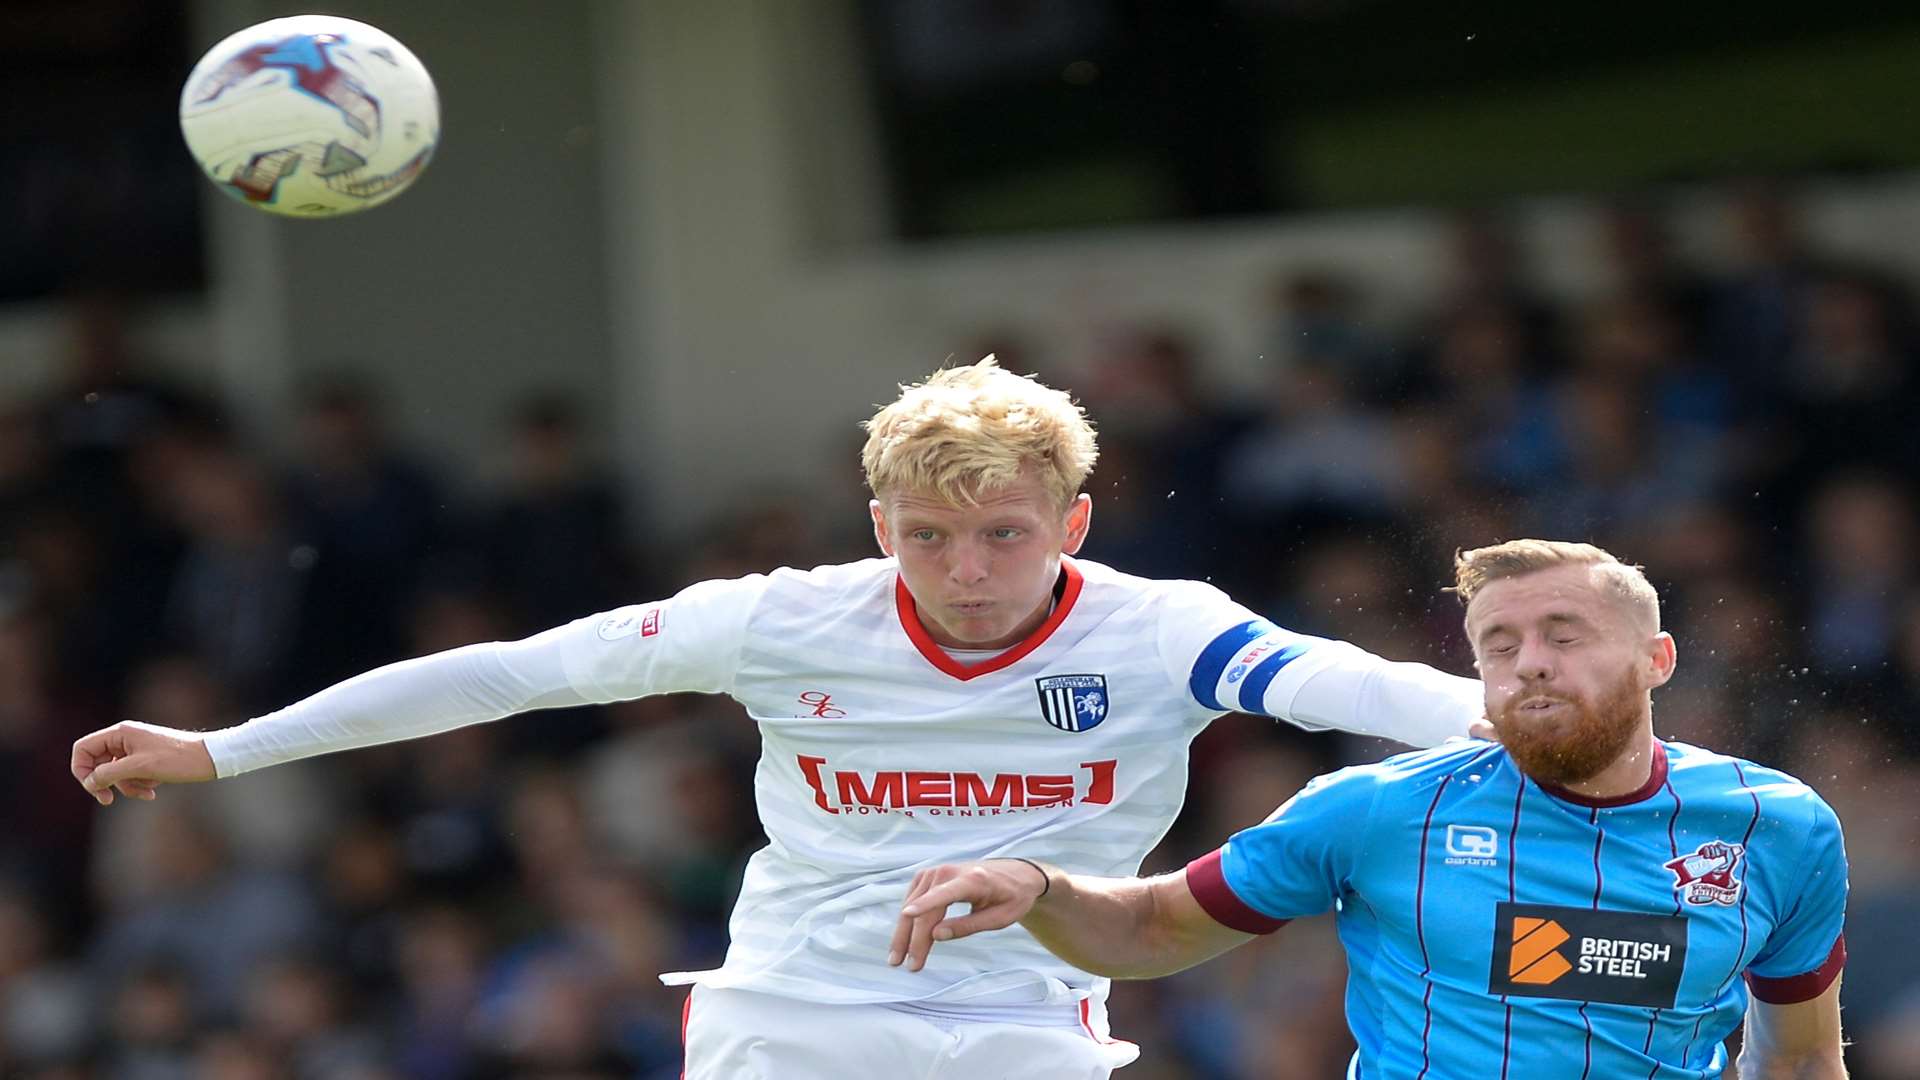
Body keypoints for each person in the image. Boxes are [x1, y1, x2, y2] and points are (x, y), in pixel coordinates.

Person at [70, 358, 1487, 1079]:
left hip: (1021, 1020)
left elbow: (1341, 684)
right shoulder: (783, 618)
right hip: (791, 1019)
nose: (969, 572)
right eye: (930, 536)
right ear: (881, 525)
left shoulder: (1160, 628)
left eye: (1005, 534)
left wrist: (1514, 722)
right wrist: (222, 750)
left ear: (1075, 520)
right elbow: (507, 671)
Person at [893, 539, 1848, 1078]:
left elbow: (1801, 1060)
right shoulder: (1378, 810)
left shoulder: (1781, 825)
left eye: (1566, 635)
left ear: (1656, 661)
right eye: (1500, 645)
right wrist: (1042, 884)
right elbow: (1152, 929)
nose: (1532, 664)